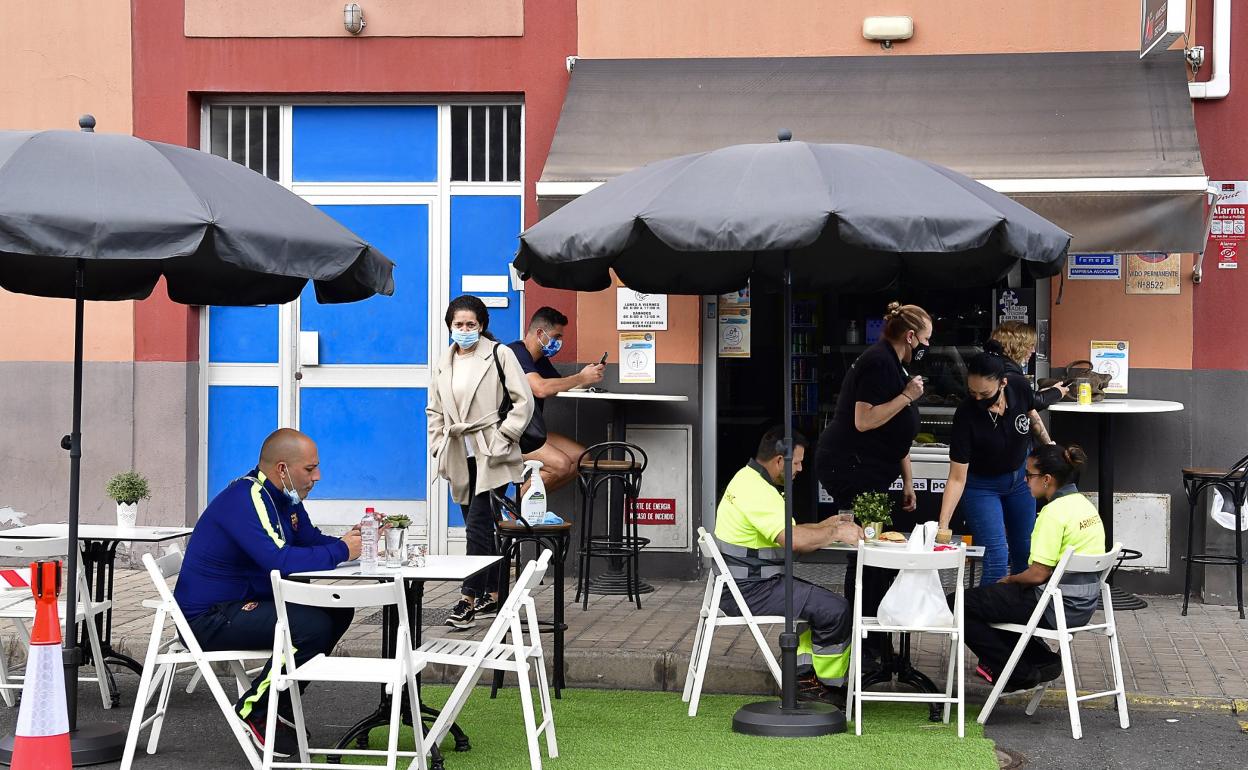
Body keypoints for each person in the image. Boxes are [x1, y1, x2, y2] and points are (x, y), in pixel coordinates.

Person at [174, 428, 363, 757]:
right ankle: (257, 708)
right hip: (209, 617)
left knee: (338, 612)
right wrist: (343, 551)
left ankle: (281, 707)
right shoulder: (248, 498)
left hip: (242, 603)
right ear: (282, 469)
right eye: (309, 469)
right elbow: (279, 561)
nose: (317, 476)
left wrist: (349, 541)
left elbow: (309, 540)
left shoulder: (285, 497)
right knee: (310, 626)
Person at [715, 426, 863, 706]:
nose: (800, 469)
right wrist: (835, 534)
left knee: (821, 606)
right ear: (779, 461)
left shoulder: (749, 480)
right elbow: (794, 541)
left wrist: (826, 525)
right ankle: (828, 686)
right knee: (836, 609)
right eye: (796, 462)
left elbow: (790, 531)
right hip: (750, 591)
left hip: (746, 584)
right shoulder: (759, 492)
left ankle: (803, 677)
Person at [814, 302, 930, 659]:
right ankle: (866, 642)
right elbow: (865, 420)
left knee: (875, 550)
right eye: (925, 339)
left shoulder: (894, 365)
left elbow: (895, 436)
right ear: (910, 336)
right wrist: (907, 396)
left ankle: (874, 640)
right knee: (868, 551)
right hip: (852, 469)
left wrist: (908, 481)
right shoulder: (879, 362)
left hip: (872, 471)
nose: (927, 346)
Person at [954, 444, 1105, 691]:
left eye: (1030, 475)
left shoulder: (1053, 513)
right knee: (993, 602)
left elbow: (1037, 574)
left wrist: (1010, 580)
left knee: (961, 603)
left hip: (1054, 606)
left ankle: (1019, 673)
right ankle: (1042, 661)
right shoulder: (1085, 505)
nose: (1025, 480)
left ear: (1047, 480)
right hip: (1083, 606)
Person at [428, 294, 534, 629]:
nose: (464, 329)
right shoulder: (444, 362)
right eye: (458, 324)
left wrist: (505, 437)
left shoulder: (499, 354)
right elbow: (434, 409)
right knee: (481, 529)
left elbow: (523, 400)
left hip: (493, 453)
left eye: (470, 324)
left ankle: (467, 600)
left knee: (475, 525)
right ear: (449, 327)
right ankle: (496, 591)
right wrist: (438, 444)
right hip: (459, 452)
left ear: (482, 325)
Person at [936, 341, 1039, 586]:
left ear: (1003, 383)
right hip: (981, 486)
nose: (978, 399)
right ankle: (985, 620)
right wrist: (943, 526)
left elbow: (1032, 416)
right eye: (973, 393)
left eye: (985, 394)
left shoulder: (1019, 388)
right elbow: (957, 477)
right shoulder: (966, 414)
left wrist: (1050, 448)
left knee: (1025, 553)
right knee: (996, 557)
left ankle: (1020, 615)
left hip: (1020, 480)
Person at [507, 306, 605, 492]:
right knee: (559, 465)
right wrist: (580, 377)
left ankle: (531, 508)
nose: (559, 342)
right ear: (540, 333)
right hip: (508, 434)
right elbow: (541, 388)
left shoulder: (540, 359)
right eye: (556, 336)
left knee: (581, 458)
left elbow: (562, 384)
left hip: (530, 432)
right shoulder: (514, 353)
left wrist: (590, 376)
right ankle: (514, 512)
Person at [990, 321, 1068, 447]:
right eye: (1030, 345)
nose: (1033, 351)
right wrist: (1058, 392)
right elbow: (1033, 401)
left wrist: (1049, 445)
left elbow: (1026, 403)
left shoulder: (998, 367)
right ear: (1016, 346)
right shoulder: (1010, 373)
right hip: (1010, 448)